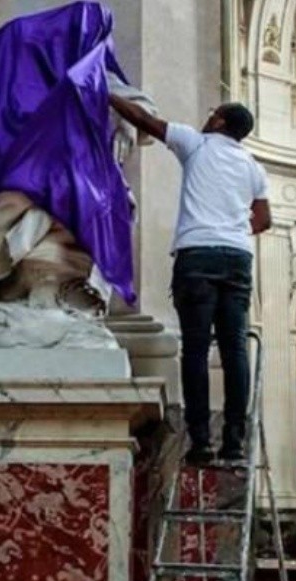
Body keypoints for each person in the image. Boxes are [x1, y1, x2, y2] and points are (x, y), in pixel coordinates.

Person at [108, 96, 272, 463]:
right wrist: (230, 227)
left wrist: (105, 92)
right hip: (237, 258)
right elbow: (263, 221)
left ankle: (200, 443)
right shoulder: (253, 167)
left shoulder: (196, 144)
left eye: (212, 112)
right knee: (235, 352)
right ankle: (234, 441)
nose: (207, 116)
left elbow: (144, 118)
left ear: (219, 123)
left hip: (197, 255)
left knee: (195, 351)